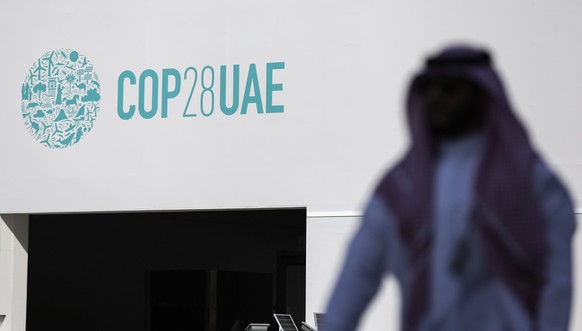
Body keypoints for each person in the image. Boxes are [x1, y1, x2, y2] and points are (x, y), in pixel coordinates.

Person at [323, 45, 576, 331]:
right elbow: (353, 286)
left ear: (483, 96)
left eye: (450, 88)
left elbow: (557, 288)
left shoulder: (536, 187)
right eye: (428, 88)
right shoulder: (399, 192)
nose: (436, 97)